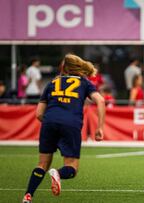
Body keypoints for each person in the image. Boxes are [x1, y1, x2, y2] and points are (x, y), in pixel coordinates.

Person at [22, 54, 105, 203]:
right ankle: (58, 173)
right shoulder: (84, 83)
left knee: (42, 164)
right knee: (72, 167)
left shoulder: (52, 83)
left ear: (64, 68)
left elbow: (39, 114)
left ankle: (28, 196)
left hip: (49, 122)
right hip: (71, 124)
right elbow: (100, 100)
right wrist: (99, 127)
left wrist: (51, 123)